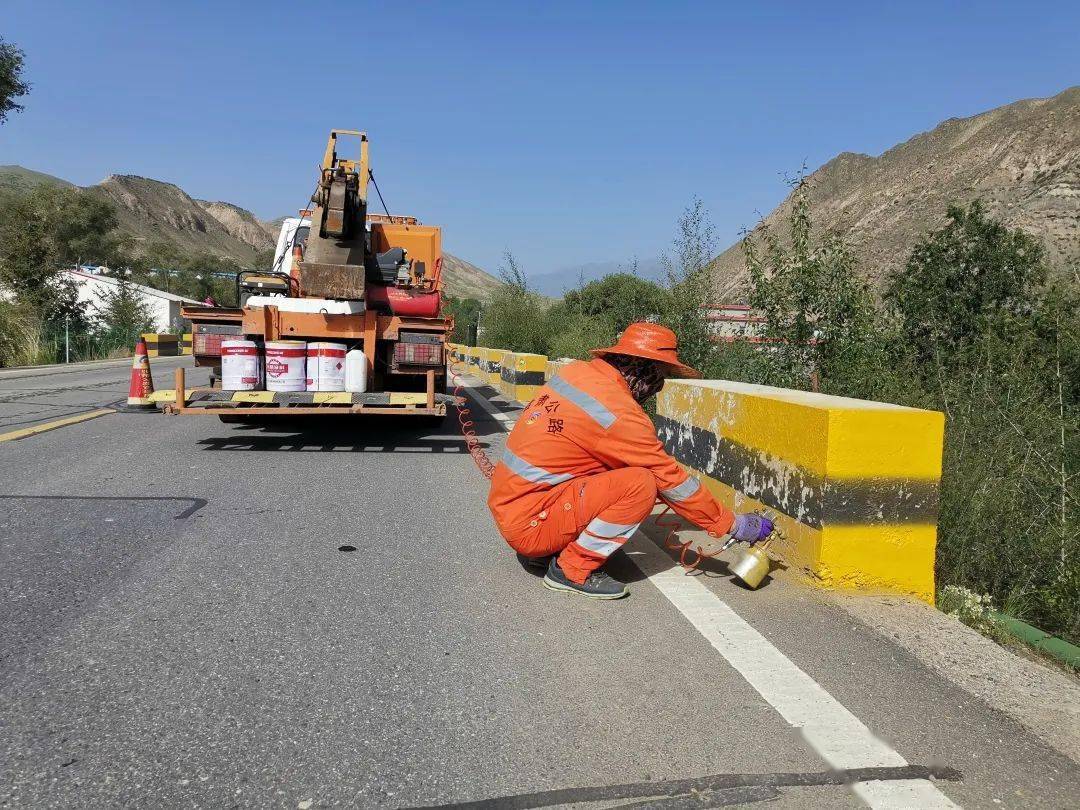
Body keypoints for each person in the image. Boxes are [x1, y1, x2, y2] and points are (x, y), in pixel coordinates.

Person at [487, 322, 774, 599]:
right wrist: (732, 524)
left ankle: (548, 551)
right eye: (658, 376)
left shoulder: (576, 374)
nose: (657, 387)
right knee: (640, 484)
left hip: (517, 507)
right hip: (533, 524)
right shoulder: (618, 413)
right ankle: (571, 569)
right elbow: (671, 481)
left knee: (618, 471)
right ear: (641, 368)